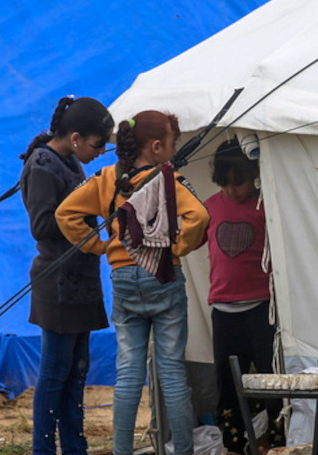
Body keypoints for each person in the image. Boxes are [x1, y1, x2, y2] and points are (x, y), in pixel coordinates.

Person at [55, 110, 208, 455]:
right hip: (162, 275)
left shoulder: (106, 177)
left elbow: (65, 213)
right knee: (171, 371)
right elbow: (199, 215)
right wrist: (177, 247)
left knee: (128, 373)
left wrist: (100, 245)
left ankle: (122, 450)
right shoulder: (169, 179)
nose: (173, 151)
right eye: (172, 144)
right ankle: (183, 449)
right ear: (156, 147)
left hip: (123, 278)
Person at [20, 96, 115, 455]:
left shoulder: (71, 160)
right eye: (97, 143)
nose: (102, 150)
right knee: (55, 372)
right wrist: (83, 213)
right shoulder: (43, 164)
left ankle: (75, 446)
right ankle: (43, 448)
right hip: (58, 283)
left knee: (76, 372)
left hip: (81, 281)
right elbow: (42, 224)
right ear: (75, 137)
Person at [203, 138, 284, 455]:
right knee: (227, 378)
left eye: (240, 183)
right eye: (226, 185)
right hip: (223, 308)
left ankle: (275, 440)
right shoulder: (209, 207)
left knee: (269, 377)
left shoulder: (266, 206)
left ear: (254, 174)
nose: (233, 191)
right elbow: (191, 240)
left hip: (262, 305)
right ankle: (233, 443)